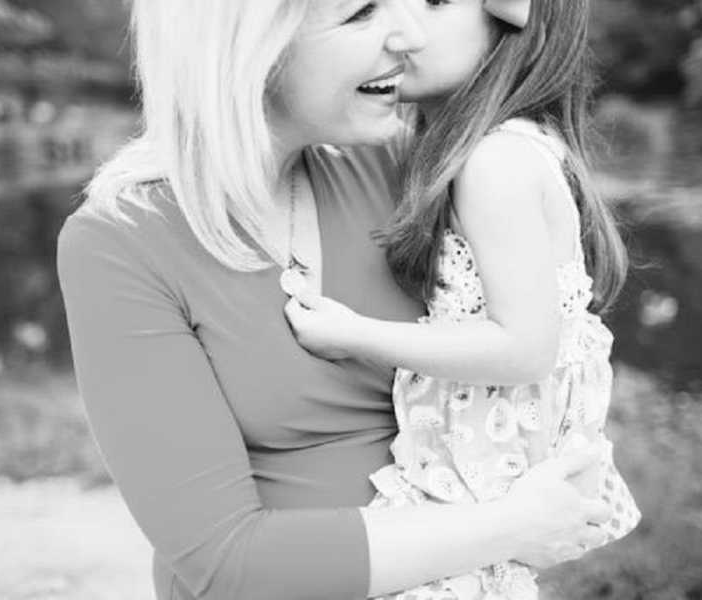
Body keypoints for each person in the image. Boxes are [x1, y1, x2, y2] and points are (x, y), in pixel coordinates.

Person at [57, 1, 613, 598]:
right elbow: (226, 566)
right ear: (252, 46)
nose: (407, 33)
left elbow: (533, 355)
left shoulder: (404, 169)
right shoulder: (121, 242)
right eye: (362, 13)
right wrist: (506, 528)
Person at [285, 1, 641, 598]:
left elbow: (524, 348)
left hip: (483, 479)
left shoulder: (493, 162)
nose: (400, 28)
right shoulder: (514, 145)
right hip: (489, 473)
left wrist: (353, 334)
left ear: (510, 24)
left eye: (435, 2)